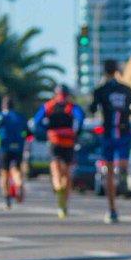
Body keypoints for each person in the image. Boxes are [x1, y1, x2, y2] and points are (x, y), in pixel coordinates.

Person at [90, 59, 131, 224]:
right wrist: (125, 110)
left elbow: (92, 108)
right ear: (117, 70)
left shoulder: (100, 89)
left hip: (108, 134)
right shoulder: (126, 89)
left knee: (108, 173)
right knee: (121, 162)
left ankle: (112, 208)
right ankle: (123, 174)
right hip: (124, 132)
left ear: (104, 71)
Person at [33, 84, 85, 218]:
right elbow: (81, 118)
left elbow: (36, 121)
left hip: (55, 141)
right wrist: (76, 132)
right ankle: (64, 205)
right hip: (69, 142)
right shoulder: (71, 107)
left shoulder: (49, 106)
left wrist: (46, 130)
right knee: (67, 174)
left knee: (56, 170)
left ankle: (58, 187)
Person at [0, 96, 30, 208]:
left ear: (3, 105)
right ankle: (19, 184)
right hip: (18, 148)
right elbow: (28, 132)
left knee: (4, 174)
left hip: (4, 148)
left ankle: (7, 199)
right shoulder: (20, 116)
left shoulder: (1, 115)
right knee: (16, 170)